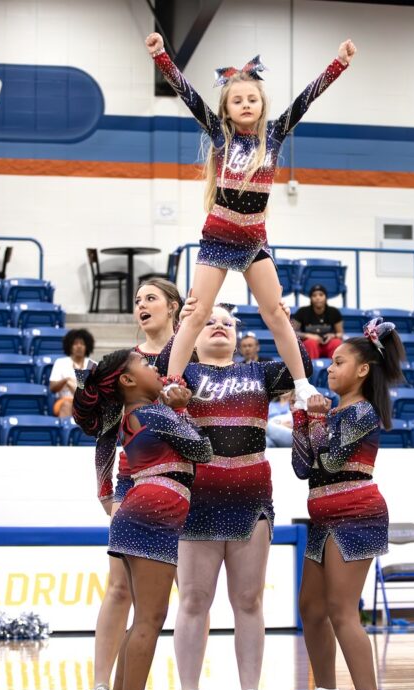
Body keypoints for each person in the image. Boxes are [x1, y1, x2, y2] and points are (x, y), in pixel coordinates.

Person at [144, 32, 356, 410]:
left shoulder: (273, 136)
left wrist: (337, 63)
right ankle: (172, 382)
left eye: (252, 99)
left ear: (262, 105)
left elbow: (307, 97)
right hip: (218, 238)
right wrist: (161, 56)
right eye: (237, 100)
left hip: (255, 241)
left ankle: (303, 385)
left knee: (276, 313)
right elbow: (189, 94)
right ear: (226, 109)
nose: (245, 104)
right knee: (196, 312)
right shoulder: (220, 135)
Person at [156, 304, 312, 690]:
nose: (220, 327)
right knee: (192, 599)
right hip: (196, 498)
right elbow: (157, 364)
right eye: (210, 321)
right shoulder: (180, 374)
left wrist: (280, 318)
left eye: (228, 322)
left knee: (248, 599)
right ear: (194, 330)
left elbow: (304, 363)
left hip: (250, 498)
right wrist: (188, 321)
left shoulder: (260, 373)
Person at [73, 350, 213, 690]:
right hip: (154, 510)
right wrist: (182, 409)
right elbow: (203, 450)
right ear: (128, 381)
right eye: (147, 366)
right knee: (150, 620)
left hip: (138, 510)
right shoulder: (155, 413)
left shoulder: (135, 415)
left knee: (142, 620)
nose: (156, 369)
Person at [280, 317, 405, 690]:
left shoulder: (363, 412)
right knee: (310, 607)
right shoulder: (334, 413)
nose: (329, 368)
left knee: (340, 608)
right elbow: (303, 467)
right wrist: (303, 419)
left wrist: (313, 419)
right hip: (324, 517)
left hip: (356, 513)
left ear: (363, 370)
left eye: (338, 362)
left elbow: (331, 461)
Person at [87, 279, 195, 690]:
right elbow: (104, 436)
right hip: (135, 484)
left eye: (150, 298)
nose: (141, 305)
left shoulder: (188, 355)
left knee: (163, 597)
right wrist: (105, 489)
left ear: (173, 307)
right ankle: (102, 688)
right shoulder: (124, 365)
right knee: (119, 589)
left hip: (182, 480)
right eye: (137, 301)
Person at [49, 328, 94, 417]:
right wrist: (65, 381)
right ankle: (65, 430)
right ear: (70, 346)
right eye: (75, 344)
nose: (79, 346)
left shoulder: (92, 365)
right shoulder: (60, 362)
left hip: (86, 404)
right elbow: (52, 388)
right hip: (65, 400)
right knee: (67, 406)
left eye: (82, 344)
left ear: (87, 346)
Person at [291, 285, 344, 360]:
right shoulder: (302, 311)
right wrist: (308, 335)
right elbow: (292, 332)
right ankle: (311, 370)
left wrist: (333, 335)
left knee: (336, 342)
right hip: (311, 345)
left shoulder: (334, 312)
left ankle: (336, 368)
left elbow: (340, 333)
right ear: (311, 298)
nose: (318, 298)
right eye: (314, 295)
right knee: (310, 343)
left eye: (321, 295)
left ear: (325, 297)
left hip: (328, 344)